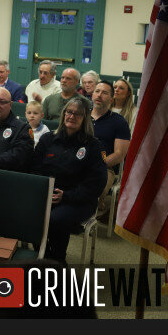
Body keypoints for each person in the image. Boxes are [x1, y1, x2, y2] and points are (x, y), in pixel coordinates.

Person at [30, 98, 107, 263]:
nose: (72, 116)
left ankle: (58, 260)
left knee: (55, 219)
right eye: (69, 112)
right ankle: (44, 255)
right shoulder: (48, 139)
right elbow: (35, 169)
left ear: (85, 118)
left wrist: (67, 196)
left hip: (78, 201)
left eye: (78, 114)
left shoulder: (93, 146)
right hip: (47, 195)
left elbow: (96, 183)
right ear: (64, 114)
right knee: (30, 213)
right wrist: (44, 190)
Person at [90, 80, 131, 211]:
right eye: (97, 91)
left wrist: (97, 165)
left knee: (91, 188)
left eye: (104, 93)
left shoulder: (119, 122)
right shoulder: (81, 115)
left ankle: (89, 215)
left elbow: (119, 155)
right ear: (92, 95)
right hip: (77, 161)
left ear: (112, 99)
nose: (99, 95)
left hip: (105, 168)